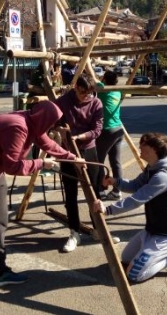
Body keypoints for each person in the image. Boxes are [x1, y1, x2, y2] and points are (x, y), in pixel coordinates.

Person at [0, 100, 83, 307]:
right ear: (44, 119)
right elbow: (13, 166)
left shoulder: (33, 123)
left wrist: (71, 158)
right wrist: (42, 163)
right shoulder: (18, 126)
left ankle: (0, 272)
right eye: (51, 124)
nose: (51, 129)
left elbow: (47, 144)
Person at [93, 132, 167, 283]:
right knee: (125, 259)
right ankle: (155, 253)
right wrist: (115, 181)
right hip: (151, 230)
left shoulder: (162, 176)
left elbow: (136, 200)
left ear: (155, 151)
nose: (140, 149)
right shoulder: (152, 168)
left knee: (134, 274)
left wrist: (108, 209)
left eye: (144, 147)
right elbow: (135, 185)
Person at [55, 72, 118, 252]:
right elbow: (53, 123)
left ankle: (99, 230)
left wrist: (79, 136)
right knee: (70, 194)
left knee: (94, 192)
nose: (87, 97)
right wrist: (61, 130)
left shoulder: (96, 102)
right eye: (83, 93)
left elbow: (97, 129)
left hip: (89, 150)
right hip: (68, 153)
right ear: (76, 87)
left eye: (90, 93)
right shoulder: (63, 102)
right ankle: (74, 232)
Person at [95, 69, 124, 200]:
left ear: (105, 80)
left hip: (107, 130)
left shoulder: (102, 89)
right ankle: (117, 191)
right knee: (115, 162)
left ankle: (101, 189)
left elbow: (95, 82)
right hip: (118, 129)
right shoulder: (118, 91)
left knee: (99, 161)